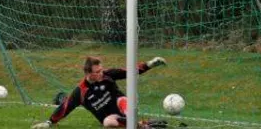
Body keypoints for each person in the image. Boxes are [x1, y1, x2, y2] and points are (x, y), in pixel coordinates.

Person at [31, 55, 168, 129]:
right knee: (108, 123)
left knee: (122, 100)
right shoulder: (81, 92)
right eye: (97, 72)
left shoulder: (108, 75)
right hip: (113, 119)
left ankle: (139, 124)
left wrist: (150, 64)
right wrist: (49, 122)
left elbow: (129, 71)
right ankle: (142, 125)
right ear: (88, 73)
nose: (101, 73)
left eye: (101, 70)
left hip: (124, 108)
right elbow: (65, 107)